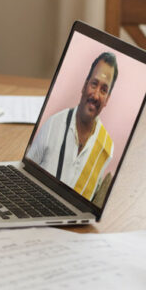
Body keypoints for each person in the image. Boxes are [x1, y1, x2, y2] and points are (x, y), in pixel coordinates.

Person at [25, 52, 119, 201]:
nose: (95, 95)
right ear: (84, 86)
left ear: (107, 99)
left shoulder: (107, 149)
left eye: (103, 90)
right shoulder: (52, 125)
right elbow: (24, 175)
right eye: (94, 84)